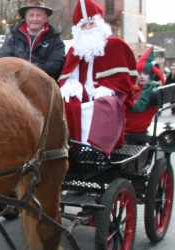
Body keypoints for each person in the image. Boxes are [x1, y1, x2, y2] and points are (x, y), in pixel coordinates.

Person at [58, 0, 137, 155]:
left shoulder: (116, 45)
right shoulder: (75, 49)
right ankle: (70, 149)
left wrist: (109, 88)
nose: (88, 29)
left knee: (103, 105)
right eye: (83, 25)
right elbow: (68, 75)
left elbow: (126, 80)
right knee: (66, 104)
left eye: (91, 24)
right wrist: (70, 85)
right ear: (78, 29)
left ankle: (99, 151)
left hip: (110, 93)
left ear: (99, 24)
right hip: (83, 93)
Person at [0, 0, 65, 80]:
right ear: (25, 17)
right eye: (31, 15)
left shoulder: (55, 39)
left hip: (43, 82)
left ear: (45, 18)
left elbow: (56, 65)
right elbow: (3, 58)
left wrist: (30, 69)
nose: (34, 19)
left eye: (38, 15)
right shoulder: (13, 36)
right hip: (15, 81)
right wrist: (20, 70)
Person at [126, 48, 161, 136]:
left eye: (145, 74)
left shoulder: (151, 88)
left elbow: (138, 107)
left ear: (151, 75)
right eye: (140, 73)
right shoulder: (140, 88)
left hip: (135, 126)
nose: (142, 76)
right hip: (135, 124)